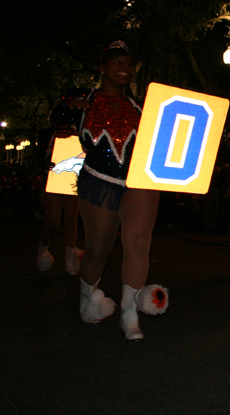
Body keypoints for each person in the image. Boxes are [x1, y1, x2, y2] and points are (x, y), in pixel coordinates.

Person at [54, 41, 168, 340]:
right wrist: (68, 103)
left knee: (138, 243)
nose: (124, 69)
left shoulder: (140, 108)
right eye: (117, 62)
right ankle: (88, 298)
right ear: (102, 68)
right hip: (98, 180)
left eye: (128, 64)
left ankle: (129, 314)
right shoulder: (85, 101)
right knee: (98, 250)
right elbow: (57, 121)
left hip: (138, 181)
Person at [35, 121, 83, 274]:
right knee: (53, 222)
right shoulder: (47, 136)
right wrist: (45, 163)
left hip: (72, 180)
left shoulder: (79, 134)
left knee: (71, 221)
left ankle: (69, 260)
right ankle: (43, 250)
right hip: (53, 180)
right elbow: (39, 157)